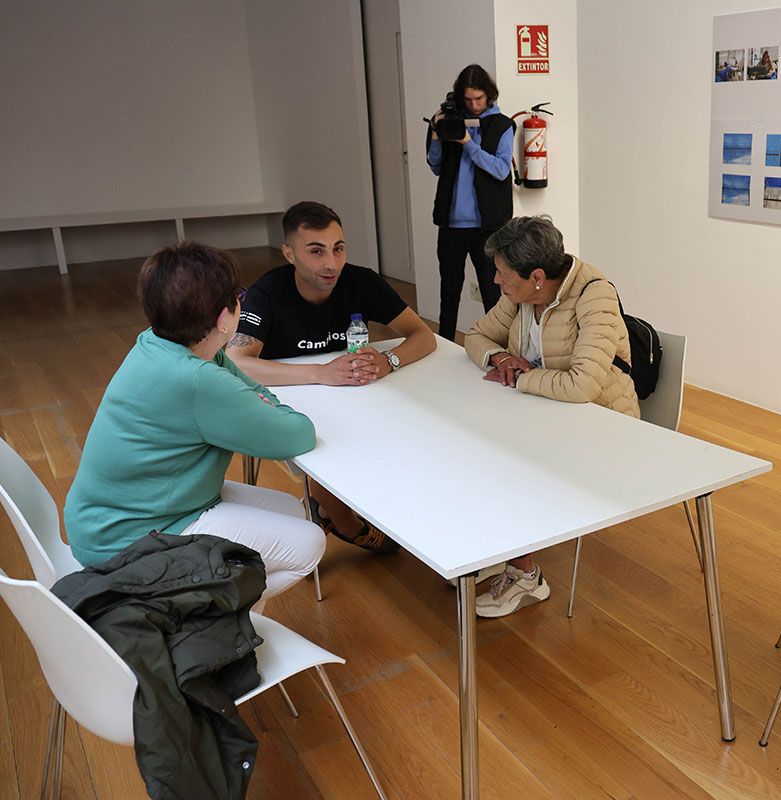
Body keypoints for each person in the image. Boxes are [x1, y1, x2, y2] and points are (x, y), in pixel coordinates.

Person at [64, 242, 325, 602]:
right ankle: (205, 618)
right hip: (129, 541)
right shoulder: (197, 380)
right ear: (223, 319)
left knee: (295, 512)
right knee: (310, 544)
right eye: (239, 296)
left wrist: (254, 400)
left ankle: (210, 598)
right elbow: (298, 433)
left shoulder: (159, 342)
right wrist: (260, 403)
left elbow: (250, 390)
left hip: (123, 513)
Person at [228, 201, 436, 552]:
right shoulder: (266, 293)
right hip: (294, 397)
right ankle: (341, 517)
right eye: (316, 251)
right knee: (320, 441)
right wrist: (321, 373)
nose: (331, 263)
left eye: (338, 249)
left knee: (412, 430)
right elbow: (236, 362)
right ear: (289, 254)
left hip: (356, 395)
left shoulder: (362, 281)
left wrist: (389, 361)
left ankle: (370, 512)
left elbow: (423, 336)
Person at [463, 216, 638, 618]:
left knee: (511, 462)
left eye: (504, 276)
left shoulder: (595, 296)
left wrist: (521, 379)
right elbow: (475, 336)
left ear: (537, 276)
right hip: (543, 412)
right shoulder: (522, 293)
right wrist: (502, 357)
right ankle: (503, 546)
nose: (497, 283)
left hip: (603, 423)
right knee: (472, 444)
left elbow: (582, 387)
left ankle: (526, 577)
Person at [427, 64, 513, 342]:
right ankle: (444, 345)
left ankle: (496, 348)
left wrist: (468, 143)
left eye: (479, 99)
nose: (474, 105)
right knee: (448, 291)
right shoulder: (451, 121)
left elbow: (501, 169)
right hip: (451, 224)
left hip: (487, 228)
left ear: (489, 95)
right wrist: (437, 135)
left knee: (493, 292)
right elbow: (436, 166)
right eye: (468, 100)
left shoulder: (502, 125)